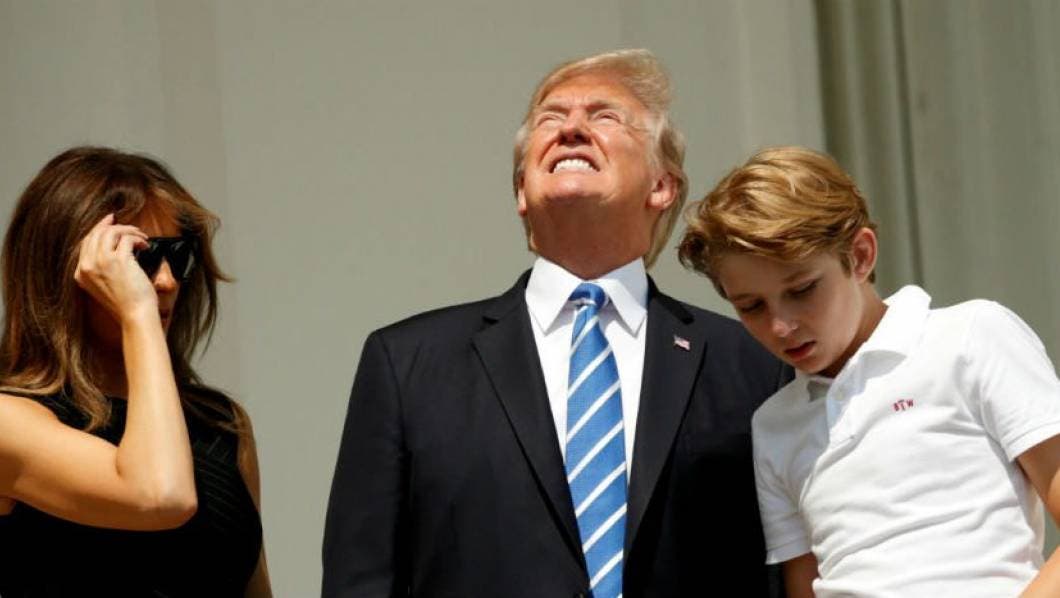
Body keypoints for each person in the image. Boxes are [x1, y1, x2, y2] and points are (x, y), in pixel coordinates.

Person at [323, 49, 787, 597]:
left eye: (604, 115)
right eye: (551, 118)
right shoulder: (407, 364)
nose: (571, 128)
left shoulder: (753, 363)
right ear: (521, 190)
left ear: (662, 186)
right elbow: (361, 579)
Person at [678, 145, 1060, 597]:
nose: (781, 325)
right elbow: (804, 584)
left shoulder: (971, 336)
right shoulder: (774, 423)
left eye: (802, 290)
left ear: (860, 255)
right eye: (751, 306)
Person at [0, 146, 272, 597]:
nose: (166, 281)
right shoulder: (10, 421)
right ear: (69, 268)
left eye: (178, 255)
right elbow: (161, 496)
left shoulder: (221, 424)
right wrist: (138, 314)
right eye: (139, 258)